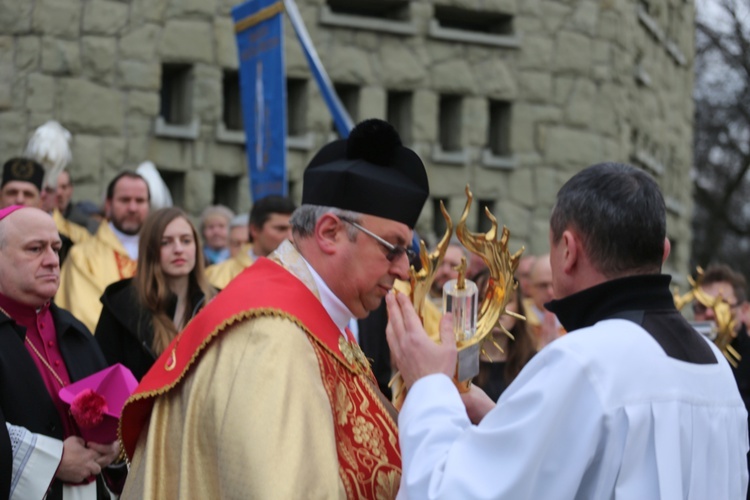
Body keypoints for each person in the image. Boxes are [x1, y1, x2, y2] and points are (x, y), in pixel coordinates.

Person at [386, 162, 748, 499]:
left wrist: (429, 386)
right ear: (664, 251)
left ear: (568, 250)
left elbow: (453, 493)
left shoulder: (584, 360)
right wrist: (505, 421)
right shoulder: (716, 368)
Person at [119, 119, 429, 499]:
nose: (402, 269)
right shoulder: (270, 339)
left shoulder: (305, 317)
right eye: (392, 247)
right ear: (330, 232)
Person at [0, 205, 121, 499]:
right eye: (35, 249)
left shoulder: (73, 329)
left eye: (56, 248)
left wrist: (113, 447)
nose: (53, 261)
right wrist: (53, 462)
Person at [95, 208, 217, 381]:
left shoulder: (220, 300)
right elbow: (104, 379)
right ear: (150, 249)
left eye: (186, 240)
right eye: (165, 242)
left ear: (197, 246)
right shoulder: (122, 306)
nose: (178, 249)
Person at [57, 171, 150, 333]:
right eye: (125, 200)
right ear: (108, 204)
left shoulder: (160, 254)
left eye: (140, 200)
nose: (133, 208)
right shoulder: (82, 256)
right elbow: (83, 316)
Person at [204, 194, 295, 289]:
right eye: (281, 229)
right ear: (254, 229)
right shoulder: (215, 276)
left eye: (293, 229)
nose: (290, 237)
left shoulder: (303, 274)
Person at [472, 269, 536, 402]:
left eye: (506, 299)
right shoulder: (456, 363)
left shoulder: (534, 363)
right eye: (483, 299)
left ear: (519, 307)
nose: (496, 307)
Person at [522, 253, 565, 348]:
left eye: (554, 284)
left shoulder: (576, 316)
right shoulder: (518, 318)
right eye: (542, 285)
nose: (550, 292)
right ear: (528, 287)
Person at [56, 170, 100, 235]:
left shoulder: (83, 222)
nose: (59, 193)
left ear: (71, 189)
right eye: (55, 187)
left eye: (64, 187)